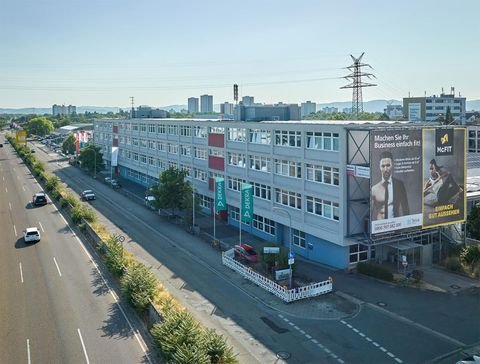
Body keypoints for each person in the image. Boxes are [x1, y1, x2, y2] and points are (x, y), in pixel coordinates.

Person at [371, 151, 410, 220]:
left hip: (395, 226)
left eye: (388, 165)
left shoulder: (399, 185)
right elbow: (370, 213)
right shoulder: (374, 189)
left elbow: (406, 209)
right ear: (379, 167)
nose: (385, 169)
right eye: (383, 166)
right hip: (379, 227)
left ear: (392, 165)